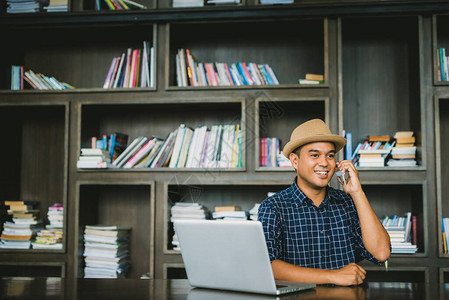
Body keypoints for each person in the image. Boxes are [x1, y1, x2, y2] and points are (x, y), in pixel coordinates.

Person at [258, 119, 391, 286]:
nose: (324, 163)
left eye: (330, 155)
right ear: (294, 161)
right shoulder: (273, 207)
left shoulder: (347, 203)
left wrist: (357, 192)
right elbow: (267, 266)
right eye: (314, 155)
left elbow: (381, 253)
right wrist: (332, 276)